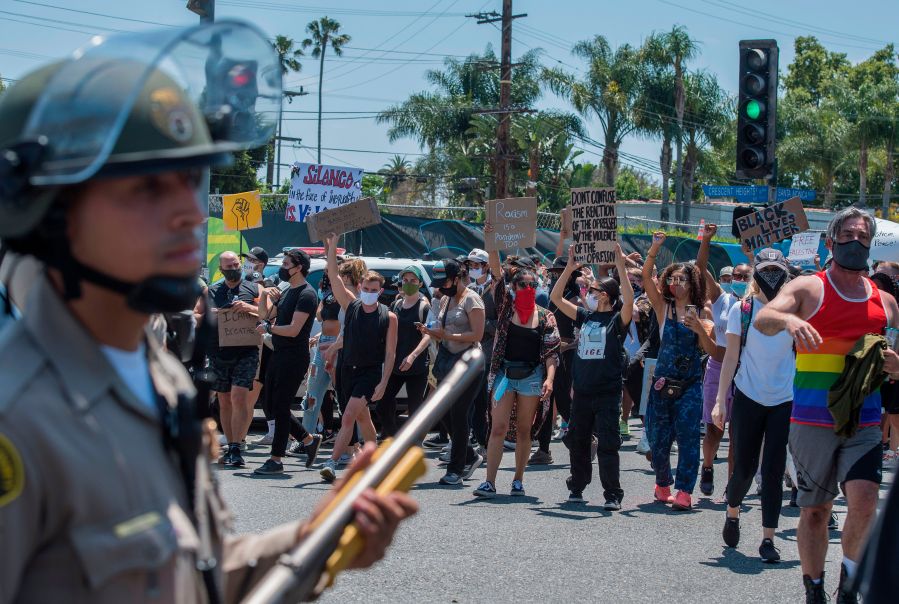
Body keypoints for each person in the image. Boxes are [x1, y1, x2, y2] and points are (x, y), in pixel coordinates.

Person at [0, 26, 416, 602]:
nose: (191, 215)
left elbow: (201, 574)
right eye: (147, 188)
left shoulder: (160, 378)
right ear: (46, 213)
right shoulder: (16, 414)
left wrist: (314, 539)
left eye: (190, 182)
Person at [755, 207, 899, 603]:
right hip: (811, 420)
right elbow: (764, 317)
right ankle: (813, 586)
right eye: (849, 234)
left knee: (866, 501)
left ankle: (848, 585)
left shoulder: (885, 302)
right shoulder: (808, 288)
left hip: (864, 421)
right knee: (816, 511)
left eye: (863, 235)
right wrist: (789, 322)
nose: (857, 241)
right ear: (832, 241)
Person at [712, 249, 795, 563]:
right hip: (748, 396)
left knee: (773, 471)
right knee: (744, 469)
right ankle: (733, 512)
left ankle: (768, 539)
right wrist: (721, 401)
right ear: (757, 274)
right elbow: (730, 358)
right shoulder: (742, 309)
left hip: (783, 399)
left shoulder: (795, 311)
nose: (772, 276)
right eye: (766, 270)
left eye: (777, 270)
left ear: (785, 275)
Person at [471, 244, 560, 498]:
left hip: (532, 378)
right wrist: (491, 243)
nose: (528, 290)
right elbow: (497, 275)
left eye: (533, 286)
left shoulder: (546, 317)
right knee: (497, 428)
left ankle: (518, 480)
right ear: (513, 288)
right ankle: (489, 481)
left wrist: (550, 380)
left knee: (524, 431)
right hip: (504, 377)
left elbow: (552, 352)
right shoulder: (505, 311)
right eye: (523, 285)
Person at [551, 244, 633, 508]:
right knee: (579, 442)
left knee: (608, 444)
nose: (589, 293)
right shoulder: (585, 317)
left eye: (595, 290)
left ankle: (612, 494)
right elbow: (555, 298)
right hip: (583, 392)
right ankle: (577, 485)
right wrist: (570, 267)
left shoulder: (617, 320)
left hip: (607, 392)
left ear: (607, 295)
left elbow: (629, 300)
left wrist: (620, 264)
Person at [641, 232, 717, 511]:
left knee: (687, 440)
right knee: (658, 439)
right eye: (672, 279)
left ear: (692, 283)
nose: (675, 284)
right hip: (662, 384)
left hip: (690, 386)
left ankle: (684, 491)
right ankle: (663, 483)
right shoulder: (663, 307)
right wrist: (655, 248)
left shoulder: (703, 313)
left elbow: (714, 350)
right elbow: (647, 277)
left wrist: (699, 329)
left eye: (681, 279)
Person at [321, 233, 398, 483]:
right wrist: (332, 247)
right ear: (360, 287)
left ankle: (332, 463)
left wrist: (384, 382)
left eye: (373, 290)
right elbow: (334, 277)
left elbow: (390, 352)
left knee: (347, 417)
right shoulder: (352, 306)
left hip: (370, 372)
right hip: (347, 369)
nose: (368, 293)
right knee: (361, 416)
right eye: (365, 289)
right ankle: (375, 459)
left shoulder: (389, 316)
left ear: (381, 291)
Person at [253, 249, 323, 475]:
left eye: (285, 264)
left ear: (298, 267)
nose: (282, 268)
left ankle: (276, 459)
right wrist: (264, 296)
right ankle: (309, 440)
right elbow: (264, 315)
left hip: (294, 356)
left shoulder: (307, 295)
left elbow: (293, 330)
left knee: (281, 406)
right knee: (272, 405)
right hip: (279, 353)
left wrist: (269, 329)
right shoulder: (286, 291)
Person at [695, 224, 752, 496]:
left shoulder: (759, 303)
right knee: (714, 429)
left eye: (745, 276)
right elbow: (700, 266)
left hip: (745, 373)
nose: (739, 278)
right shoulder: (721, 299)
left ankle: (732, 484)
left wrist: (752, 254)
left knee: (739, 436)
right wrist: (706, 240)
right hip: (718, 369)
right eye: (736, 275)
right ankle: (707, 466)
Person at [418, 258, 485, 485]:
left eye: (445, 281)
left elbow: (477, 335)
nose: (441, 286)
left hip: (469, 363)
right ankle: (469, 454)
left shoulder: (472, 299)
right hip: (447, 361)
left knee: (459, 414)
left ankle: (455, 469)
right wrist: (430, 331)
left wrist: (446, 335)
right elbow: (443, 329)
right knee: (439, 410)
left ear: (457, 278)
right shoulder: (445, 299)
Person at [205, 251, 261, 467]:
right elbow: (197, 315)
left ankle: (237, 446)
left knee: (239, 396)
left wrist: (249, 308)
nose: (233, 269)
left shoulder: (254, 288)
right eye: (228, 266)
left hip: (246, 351)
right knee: (224, 399)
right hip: (219, 352)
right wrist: (210, 313)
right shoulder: (212, 291)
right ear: (221, 269)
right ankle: (230, 445)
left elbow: (267, 313)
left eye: (236, 264)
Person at [378, 265, 431, 437]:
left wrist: (413, 356)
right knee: (383, 402)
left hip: (416, 367)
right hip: (395, 364)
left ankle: (414, 445)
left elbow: (428, 336)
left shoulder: (424, 308)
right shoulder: (396, 305)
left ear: (420, 283)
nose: (408, 283)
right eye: (405, 280)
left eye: (413, 281)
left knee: (415, 408)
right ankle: (391, 437)